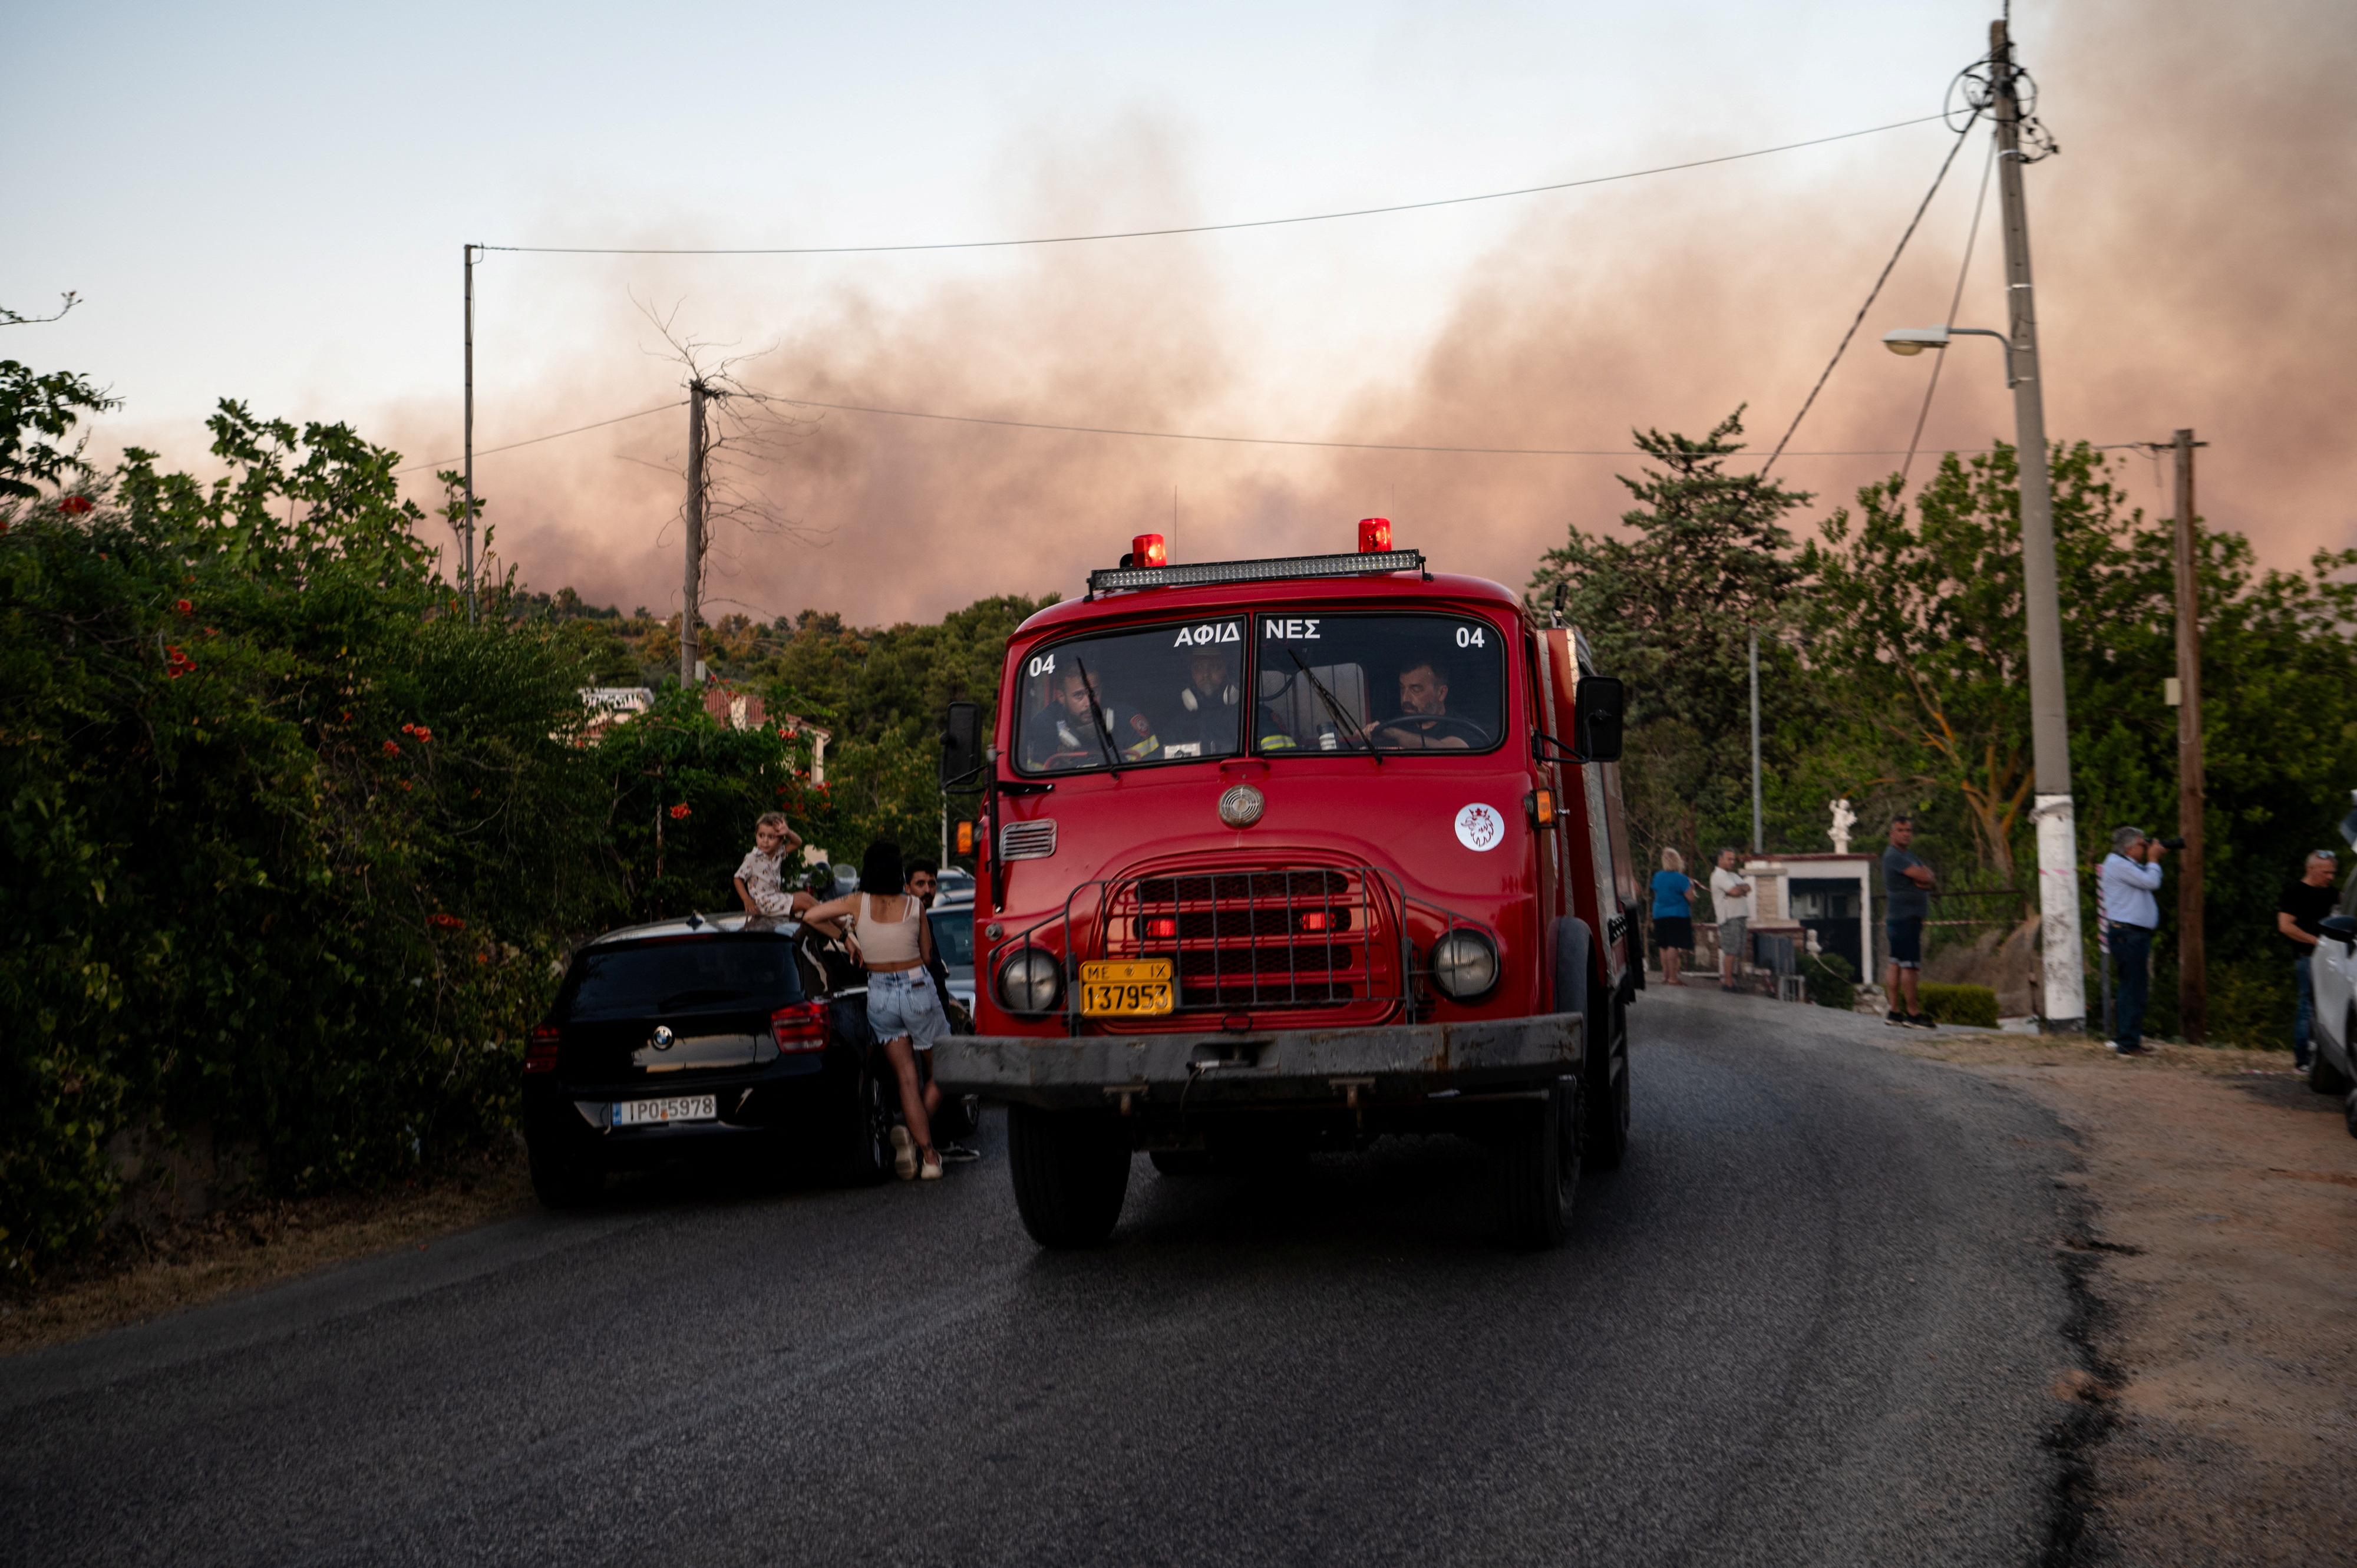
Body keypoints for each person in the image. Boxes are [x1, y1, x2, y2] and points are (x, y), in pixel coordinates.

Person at [803, 841, 948, 1181]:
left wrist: (848, 937)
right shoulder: (914, 905)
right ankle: (921, 1142)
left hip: (879, 993)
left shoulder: (856, 903)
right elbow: (927, 957)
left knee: (905, 1079)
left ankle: (928, 1157)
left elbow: (810, 915)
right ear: (899, 872)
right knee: (944, 1069)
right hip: (916, 988)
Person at [903, 856, 979, 1163]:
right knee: (941, 1073)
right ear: (906, 886)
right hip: (923, 1004)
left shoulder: (924, 918)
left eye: (932, 883)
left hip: (931, 1002)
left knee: (932, 1075)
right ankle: (919, 1139)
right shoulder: (911, 918)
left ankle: (932, 1141)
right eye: (920, 883)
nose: (927, 889)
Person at [2099, 827, 2166, 1055]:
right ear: (2129, 848)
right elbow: (2152, 882)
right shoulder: (2118, 865)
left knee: (2134, 988)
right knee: (2132, 989)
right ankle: (2128, 1043)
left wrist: (2152, 856)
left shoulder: (2124, 864)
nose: (2145, 847)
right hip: (2128, 935)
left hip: (2131, 935)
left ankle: (2130, 1040)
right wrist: (2154, 859)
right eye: (2142, 843)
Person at [2277, 848, 2340, 1073]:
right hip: (2308, 958)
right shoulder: (2296, 893)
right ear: (2311, 869)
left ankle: (2329, 1056)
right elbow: (2286, 926)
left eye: (2332, 872)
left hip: (2335, 959)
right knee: (2308, 1005)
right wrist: (2315, 941)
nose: (2330, 877)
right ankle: (2302, 1059)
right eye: (2325, 872)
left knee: (2333, 1006)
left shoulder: (2333, 894)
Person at [1026, 664, 1159, 769]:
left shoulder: (1128, 719)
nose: (1089, 703)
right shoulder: (1044, 725)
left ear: (1101, 689)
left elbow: (1150, 774)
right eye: (1079, 695)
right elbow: (1036, 784)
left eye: (1093, 692)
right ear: (1061, 696)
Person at [1881, 816, 1937, 1029]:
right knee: (1909, 966)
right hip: (1905, 919)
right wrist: (1923, 879)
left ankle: (1894, 1012)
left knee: (1895, 962)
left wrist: (1925, 878)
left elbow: (1928, 876)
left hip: (1901, 918)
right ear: (1892, 833)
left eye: (1909, 830)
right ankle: (1913, 1015)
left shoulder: (1908, 854)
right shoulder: (1894, 856)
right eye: (1901, 830)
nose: (1906, 833)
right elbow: (1922, 876)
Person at [1367, 658, 1479, 751]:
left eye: (1415, 690)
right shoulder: (1392, 726)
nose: (1405, 698)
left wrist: (1396, 735)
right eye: (1402, 689)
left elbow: (1448, 750)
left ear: (1441, 693)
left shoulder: (1464, 727)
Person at [731, 812, 814, 920]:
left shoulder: (777, 853)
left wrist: (787, 832)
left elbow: (797, 843)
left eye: (771, 837)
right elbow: (738, 878)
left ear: (780, 841)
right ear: (756, 837)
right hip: (763, 903)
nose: (765, 841)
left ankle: (834, 920)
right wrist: (747, 900)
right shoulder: (753, 858)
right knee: (805, 902)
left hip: (775, 898)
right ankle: (835, 924)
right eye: (761, 836)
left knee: (806, 897)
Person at [1162, 649, 1241, 758]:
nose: (1206, 675)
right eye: (1198, 668)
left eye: (1214, 666)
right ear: (1191, 674)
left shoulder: (1247, 718)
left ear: (1228, 672)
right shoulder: (1177, 726)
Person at [1650, 847, 1700, 986]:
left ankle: (1665, 976)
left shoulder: (1658, 876)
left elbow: (1657, 894)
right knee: (1673, 945)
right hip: (1677, 914)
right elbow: (1690, 898)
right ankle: (1673, 977)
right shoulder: (1682, 879)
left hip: (1659, 914)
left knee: (1663, 945)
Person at [1709, 847, 1753, 993]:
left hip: (1740, 915)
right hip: (1729, 917)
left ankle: (1734, 981)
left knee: (1738, 951)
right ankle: (1728, 983)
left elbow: (1748, 887)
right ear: (1720, 859)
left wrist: (1739, 889)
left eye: (1733, 859)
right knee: (1730, 951)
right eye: (1729, 859)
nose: (1732, 862)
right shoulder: (1718, 876)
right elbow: (1735, 891)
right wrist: (1739, 890)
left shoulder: (1733, 876)